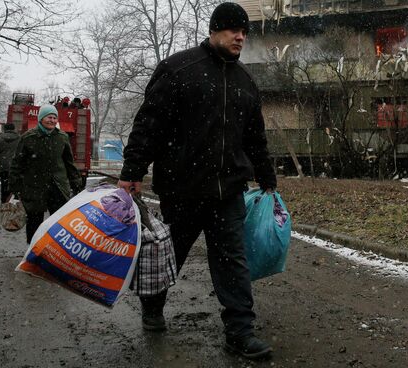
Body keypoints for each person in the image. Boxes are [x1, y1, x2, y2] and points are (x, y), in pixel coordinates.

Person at [118, 2, 276, 360]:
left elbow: (255, 138)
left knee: (233, 263)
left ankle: (239, 332)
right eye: (234, 30)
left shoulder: (245, 83)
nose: (240, 37)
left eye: (244, 32)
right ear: (214, 30)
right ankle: (153, 306)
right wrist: (132, 173)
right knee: (168, 256)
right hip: (183, 188)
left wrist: (267, 177)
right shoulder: (178, 70)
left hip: (229, 193)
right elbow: (149, 125)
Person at [9, 105, 84, 244]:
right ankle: (33, 250)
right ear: (41, 118)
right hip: (34, 187)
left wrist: (76, 184)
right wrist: (14, 187)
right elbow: (17, 163)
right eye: (49, 117)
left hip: (57, 187)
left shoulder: (62, 137)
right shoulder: (28, 137)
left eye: (55, 118)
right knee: (34, 221)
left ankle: (54, 250)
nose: (52, 120)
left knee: (58, 221)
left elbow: (69, 163)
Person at [0, 123, 20, 203]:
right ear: (14, 129)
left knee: (4, 187)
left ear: (4, 129)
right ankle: (15, 206)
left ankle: (4, 204)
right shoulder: (20, 139)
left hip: (4, 167)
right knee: (16, 187)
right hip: (17, 168)